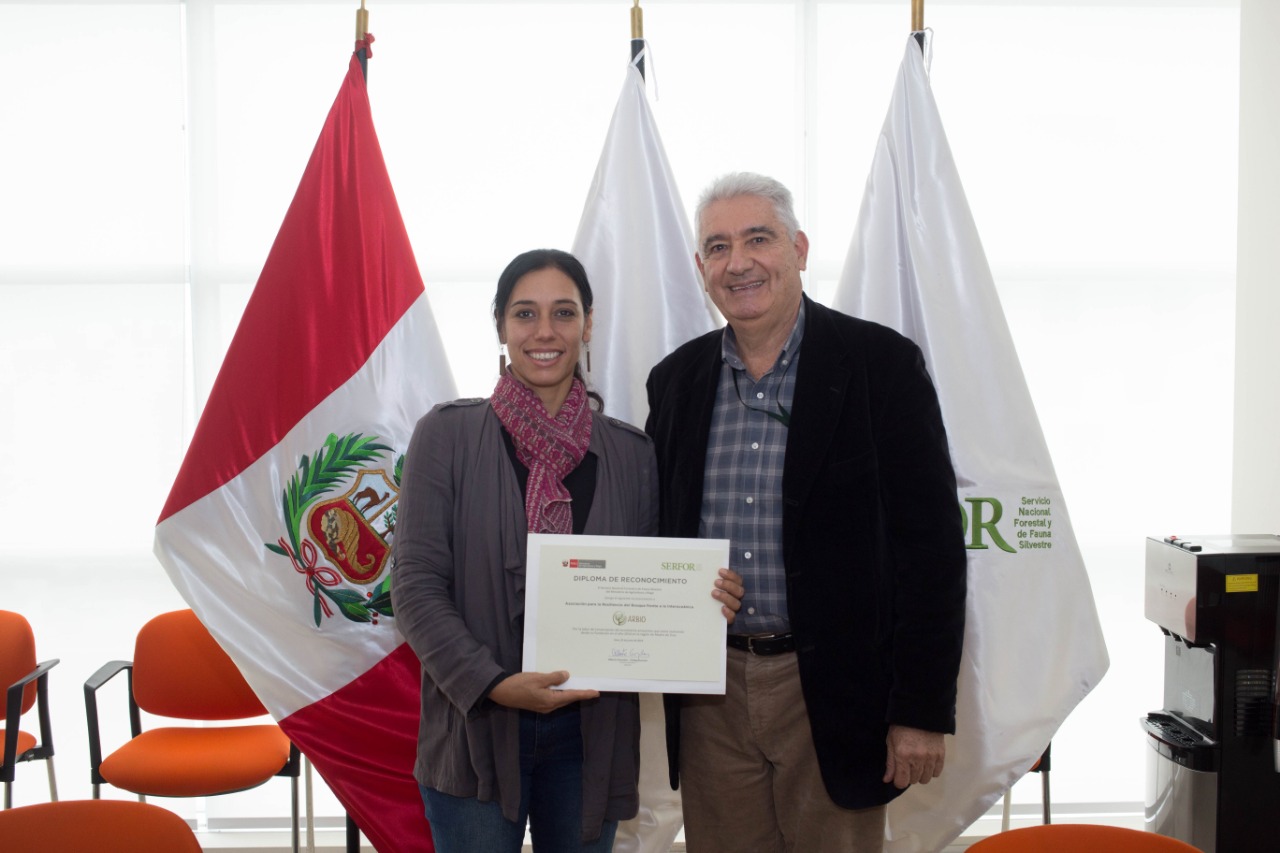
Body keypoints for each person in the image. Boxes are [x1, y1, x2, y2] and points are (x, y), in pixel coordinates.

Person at [645, 174, 967, 852]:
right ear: (701, 267)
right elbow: (660, 532)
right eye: (718, 247)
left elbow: (932, 551)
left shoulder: (881, 365)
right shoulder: (675, 381)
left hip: (835, 690)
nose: (738, 262)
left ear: (798, 249)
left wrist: (919, 710)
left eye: (758, 239)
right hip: (710, 690)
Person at [391, 248, 743, 852]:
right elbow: (415, 586)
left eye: (563, 312)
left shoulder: (633, 454)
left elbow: (649, 585)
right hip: (476, 726)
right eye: (525, 313)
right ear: (500, 326)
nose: (545, 331)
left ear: (588, 325)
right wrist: (493, 683)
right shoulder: (445, 435)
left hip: (591, 738)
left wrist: (704, 600)